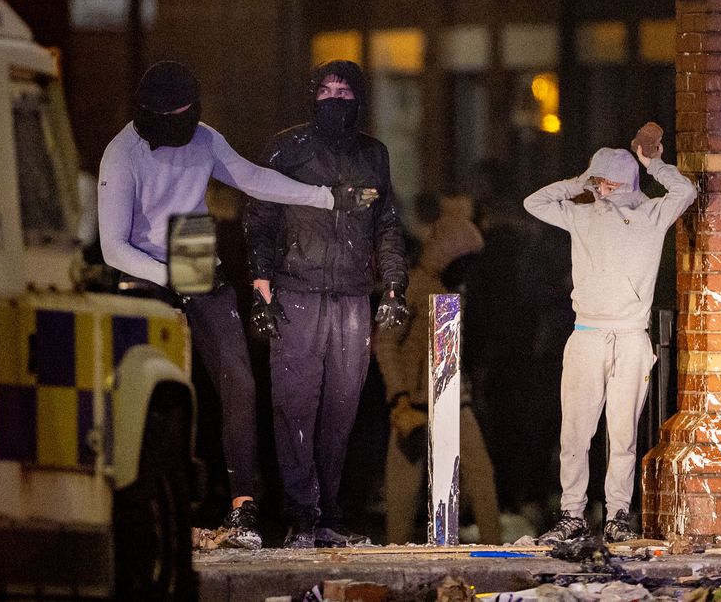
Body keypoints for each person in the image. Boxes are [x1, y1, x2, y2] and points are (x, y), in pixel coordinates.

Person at [98, 60, 376, 551]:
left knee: (239, 382)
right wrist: (168, 278)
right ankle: (138, 493)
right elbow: (112, 247)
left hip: (192, 248)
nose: (183, 127)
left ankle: (243, 504)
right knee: (151, 381)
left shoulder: (203, 138)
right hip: (141, 261)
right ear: (149, 116)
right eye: (173, 118)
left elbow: (252, 179)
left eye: (189, 115)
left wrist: (328, 198)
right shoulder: (122, 155)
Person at [243, 59, 409, 549]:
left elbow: (387, 223)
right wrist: (261, 286)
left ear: (359, 98)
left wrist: (394, 285)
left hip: (353, 297)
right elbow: (260, 218)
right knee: (294, 407)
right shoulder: (287, 147)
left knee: (341, 409)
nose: (334, 99)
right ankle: (301, 517)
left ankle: (328, 515)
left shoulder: (373, 153)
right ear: (311, 94)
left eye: (344, 90)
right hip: (296, 291)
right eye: (325, 90)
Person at [523, 141, 696, 544]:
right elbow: (534, 202)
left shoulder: (650, 214)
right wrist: (581, 181)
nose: (601, 190)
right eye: (597, 182)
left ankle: (617, 514)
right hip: (588, 333)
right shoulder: (585, 216)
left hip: (629, 336)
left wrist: (652, 164)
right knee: (576, 433)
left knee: (622, 434)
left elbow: (685, 192)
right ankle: (573, 514)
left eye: (605, 182)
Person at [373, 200, 501, 545]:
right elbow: (384, 343)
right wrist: (399, 397)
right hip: (413, 405)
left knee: (475, 480)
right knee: (404, 495)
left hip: (448, 400)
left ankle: (483, 551)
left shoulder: (447, 289)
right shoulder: (412, 286)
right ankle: (402, 563)